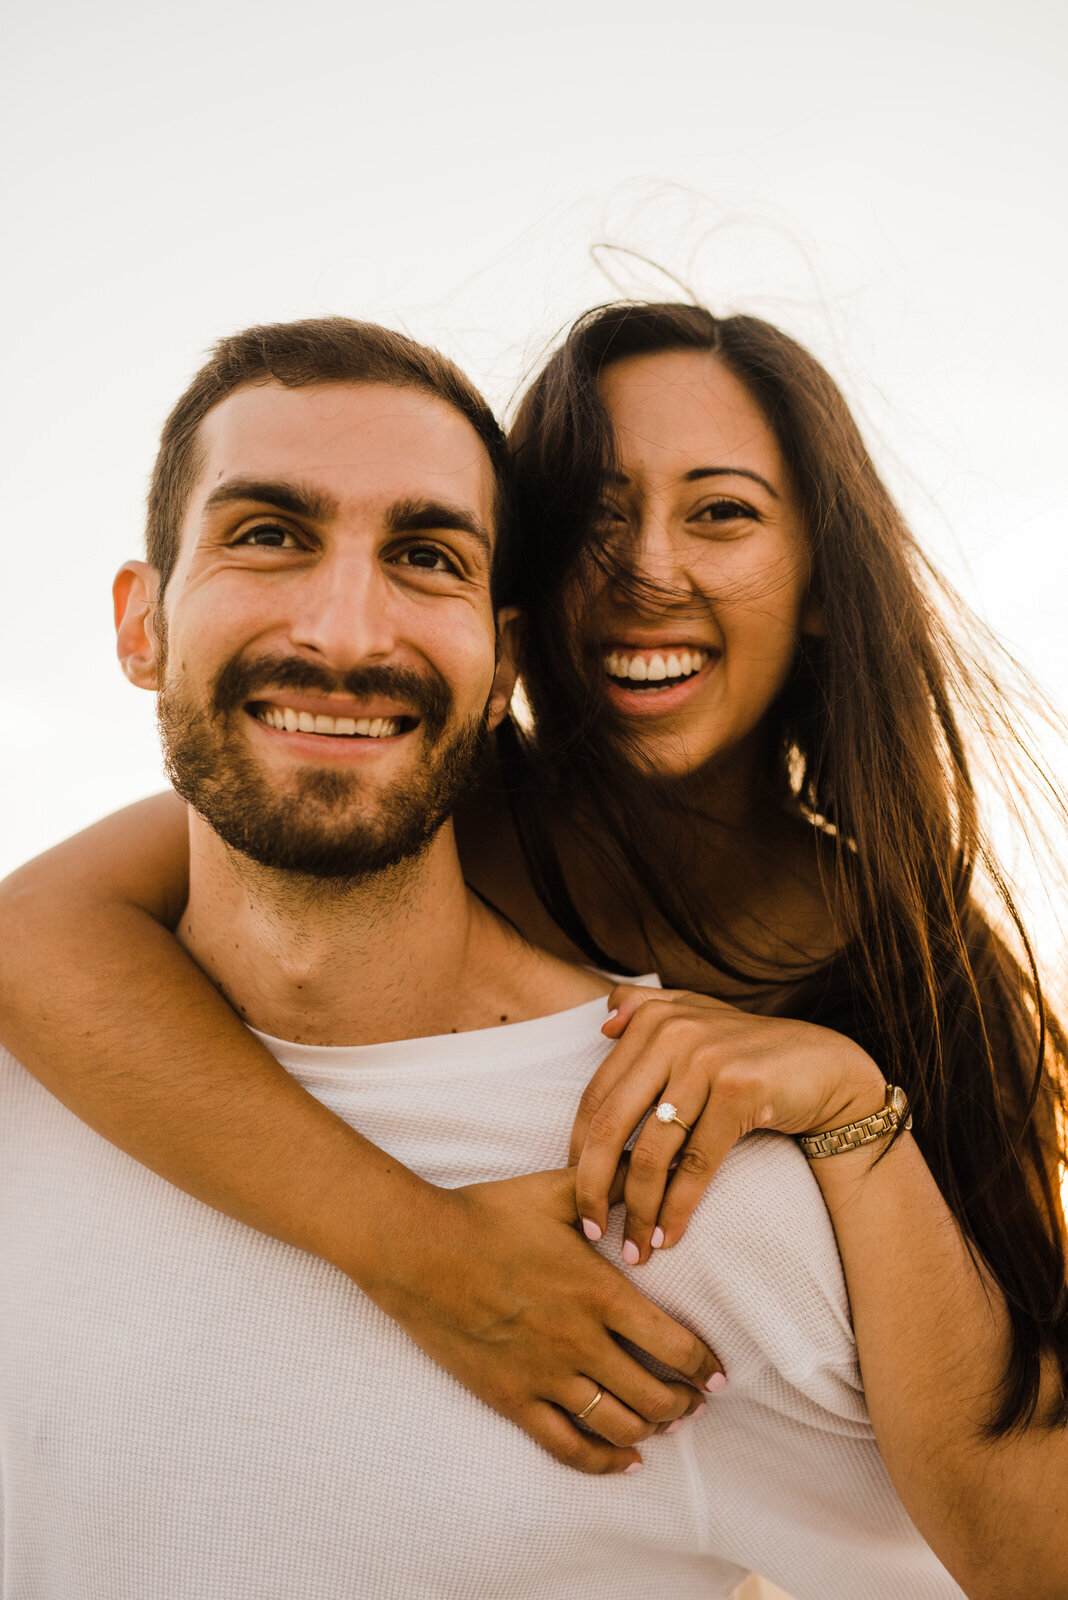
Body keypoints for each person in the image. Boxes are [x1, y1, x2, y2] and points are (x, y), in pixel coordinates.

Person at [1, 306, 1065, 1591]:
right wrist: (425, 1254)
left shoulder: (920, 975)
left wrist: (851, 1105)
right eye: (596, 521)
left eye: (720, 513)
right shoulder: (414, 793)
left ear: (828, 582)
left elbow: (1007, 1503)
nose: (644, 572)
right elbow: (34, 936)